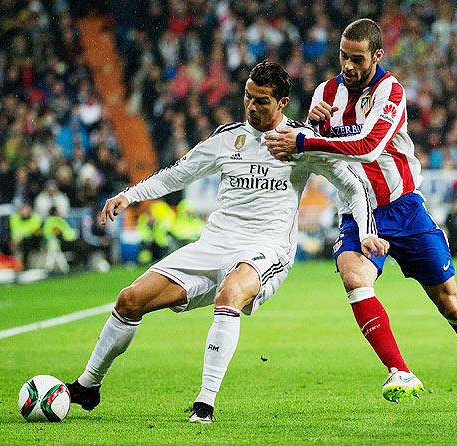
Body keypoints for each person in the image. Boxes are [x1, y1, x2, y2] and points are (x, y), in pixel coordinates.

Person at [65, 61, 388, 424]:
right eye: (248, 97)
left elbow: (353, 185)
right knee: (129, 300)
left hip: (265, 249)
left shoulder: (302, 142)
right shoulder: (227, 138)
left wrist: (365, 231)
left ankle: (205, 404)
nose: (251, 106)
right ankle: (87, 385)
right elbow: (177, 174)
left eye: (262, 101)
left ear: (282, 102)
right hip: (215, 243)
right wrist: (130, 195)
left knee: (229, 295)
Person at [265, 19, 457, 412]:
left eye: (357, 59)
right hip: (357, 209)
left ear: (377, 55)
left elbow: (369, 146)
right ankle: (399, 371)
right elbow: (320, 151)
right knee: (353, 274)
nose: (349, 66)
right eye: (343, 56)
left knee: (451, 305)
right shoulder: (326, 91)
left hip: (404, 208)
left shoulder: (391, 91)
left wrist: (305, 136)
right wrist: (313, 124)